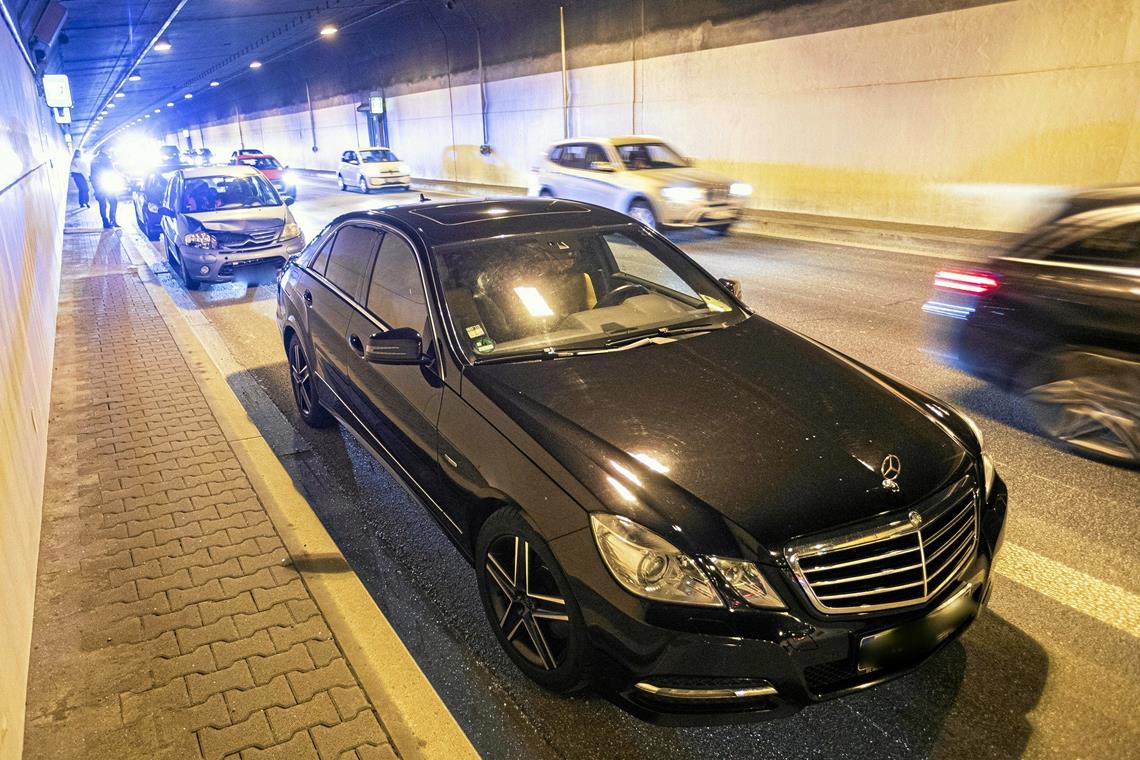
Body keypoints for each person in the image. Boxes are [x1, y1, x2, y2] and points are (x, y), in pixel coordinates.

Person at [89, 148, 120, 229]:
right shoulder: (107, 159)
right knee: (114, 202)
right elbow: (112, 171)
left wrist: (95, 187)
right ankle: (113, 220)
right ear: (105, 151)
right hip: (108, 184)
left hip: (98, 186)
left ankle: (105, 222)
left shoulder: (93, 160)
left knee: (102, 204)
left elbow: (92, 174)